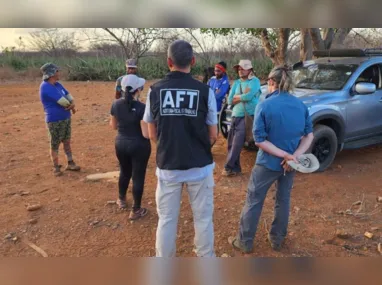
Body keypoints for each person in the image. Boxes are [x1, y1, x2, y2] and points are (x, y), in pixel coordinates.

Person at [143, 40, 218, 257]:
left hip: (168, 166)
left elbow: (152, 133)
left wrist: (170, 146)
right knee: (203, 218)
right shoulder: (205, 91)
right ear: (193, 61)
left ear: (169, 62)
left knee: (166, 220)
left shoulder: (155, 90)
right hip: (200, 167)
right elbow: (213, 134)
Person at [228, 65, 314, 253]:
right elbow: (309, 135)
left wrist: (284, 155)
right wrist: (294, 156)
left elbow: (259, 140)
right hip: (290, 164)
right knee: (283, 199)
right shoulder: (300, 105)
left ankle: (244, 241)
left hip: (268, 162)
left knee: (254, 199)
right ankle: (277, 239)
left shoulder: (265, 104)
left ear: (272, 82)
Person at [110, 74, 151, 220]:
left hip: (120, 143)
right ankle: (136, 209)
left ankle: (121, 199)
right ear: (138, 90)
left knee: (124, 171)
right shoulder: (142, 108)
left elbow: (113, 126)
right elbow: (146, 134)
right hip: (138, 145)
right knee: (138, 176)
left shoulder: (115, 104)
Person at [39, 63, 81, 176]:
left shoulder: (57, 84)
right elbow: (64, 102)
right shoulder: (46, 87)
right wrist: (71, 105)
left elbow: (68, 95)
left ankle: (70, 162)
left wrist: (72, 103)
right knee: (55, 143)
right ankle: (56, 167)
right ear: (52, 73)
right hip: (54, 119)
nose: (59, 73)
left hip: (65, 117)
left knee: (66, 141)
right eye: (57, 71)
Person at [222, 59, 261, 177]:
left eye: (242, 68)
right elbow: (229, 100)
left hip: (247, 116)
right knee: (230, 143)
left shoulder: (254, 81)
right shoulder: (237, 83)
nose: (240, 70)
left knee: (237, 143)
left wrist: (237, 97)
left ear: (250, 69)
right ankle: (236, 168)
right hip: (235, 115)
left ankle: (228, 167)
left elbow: (248, 96)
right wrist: (240, 97)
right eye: (239, 68)